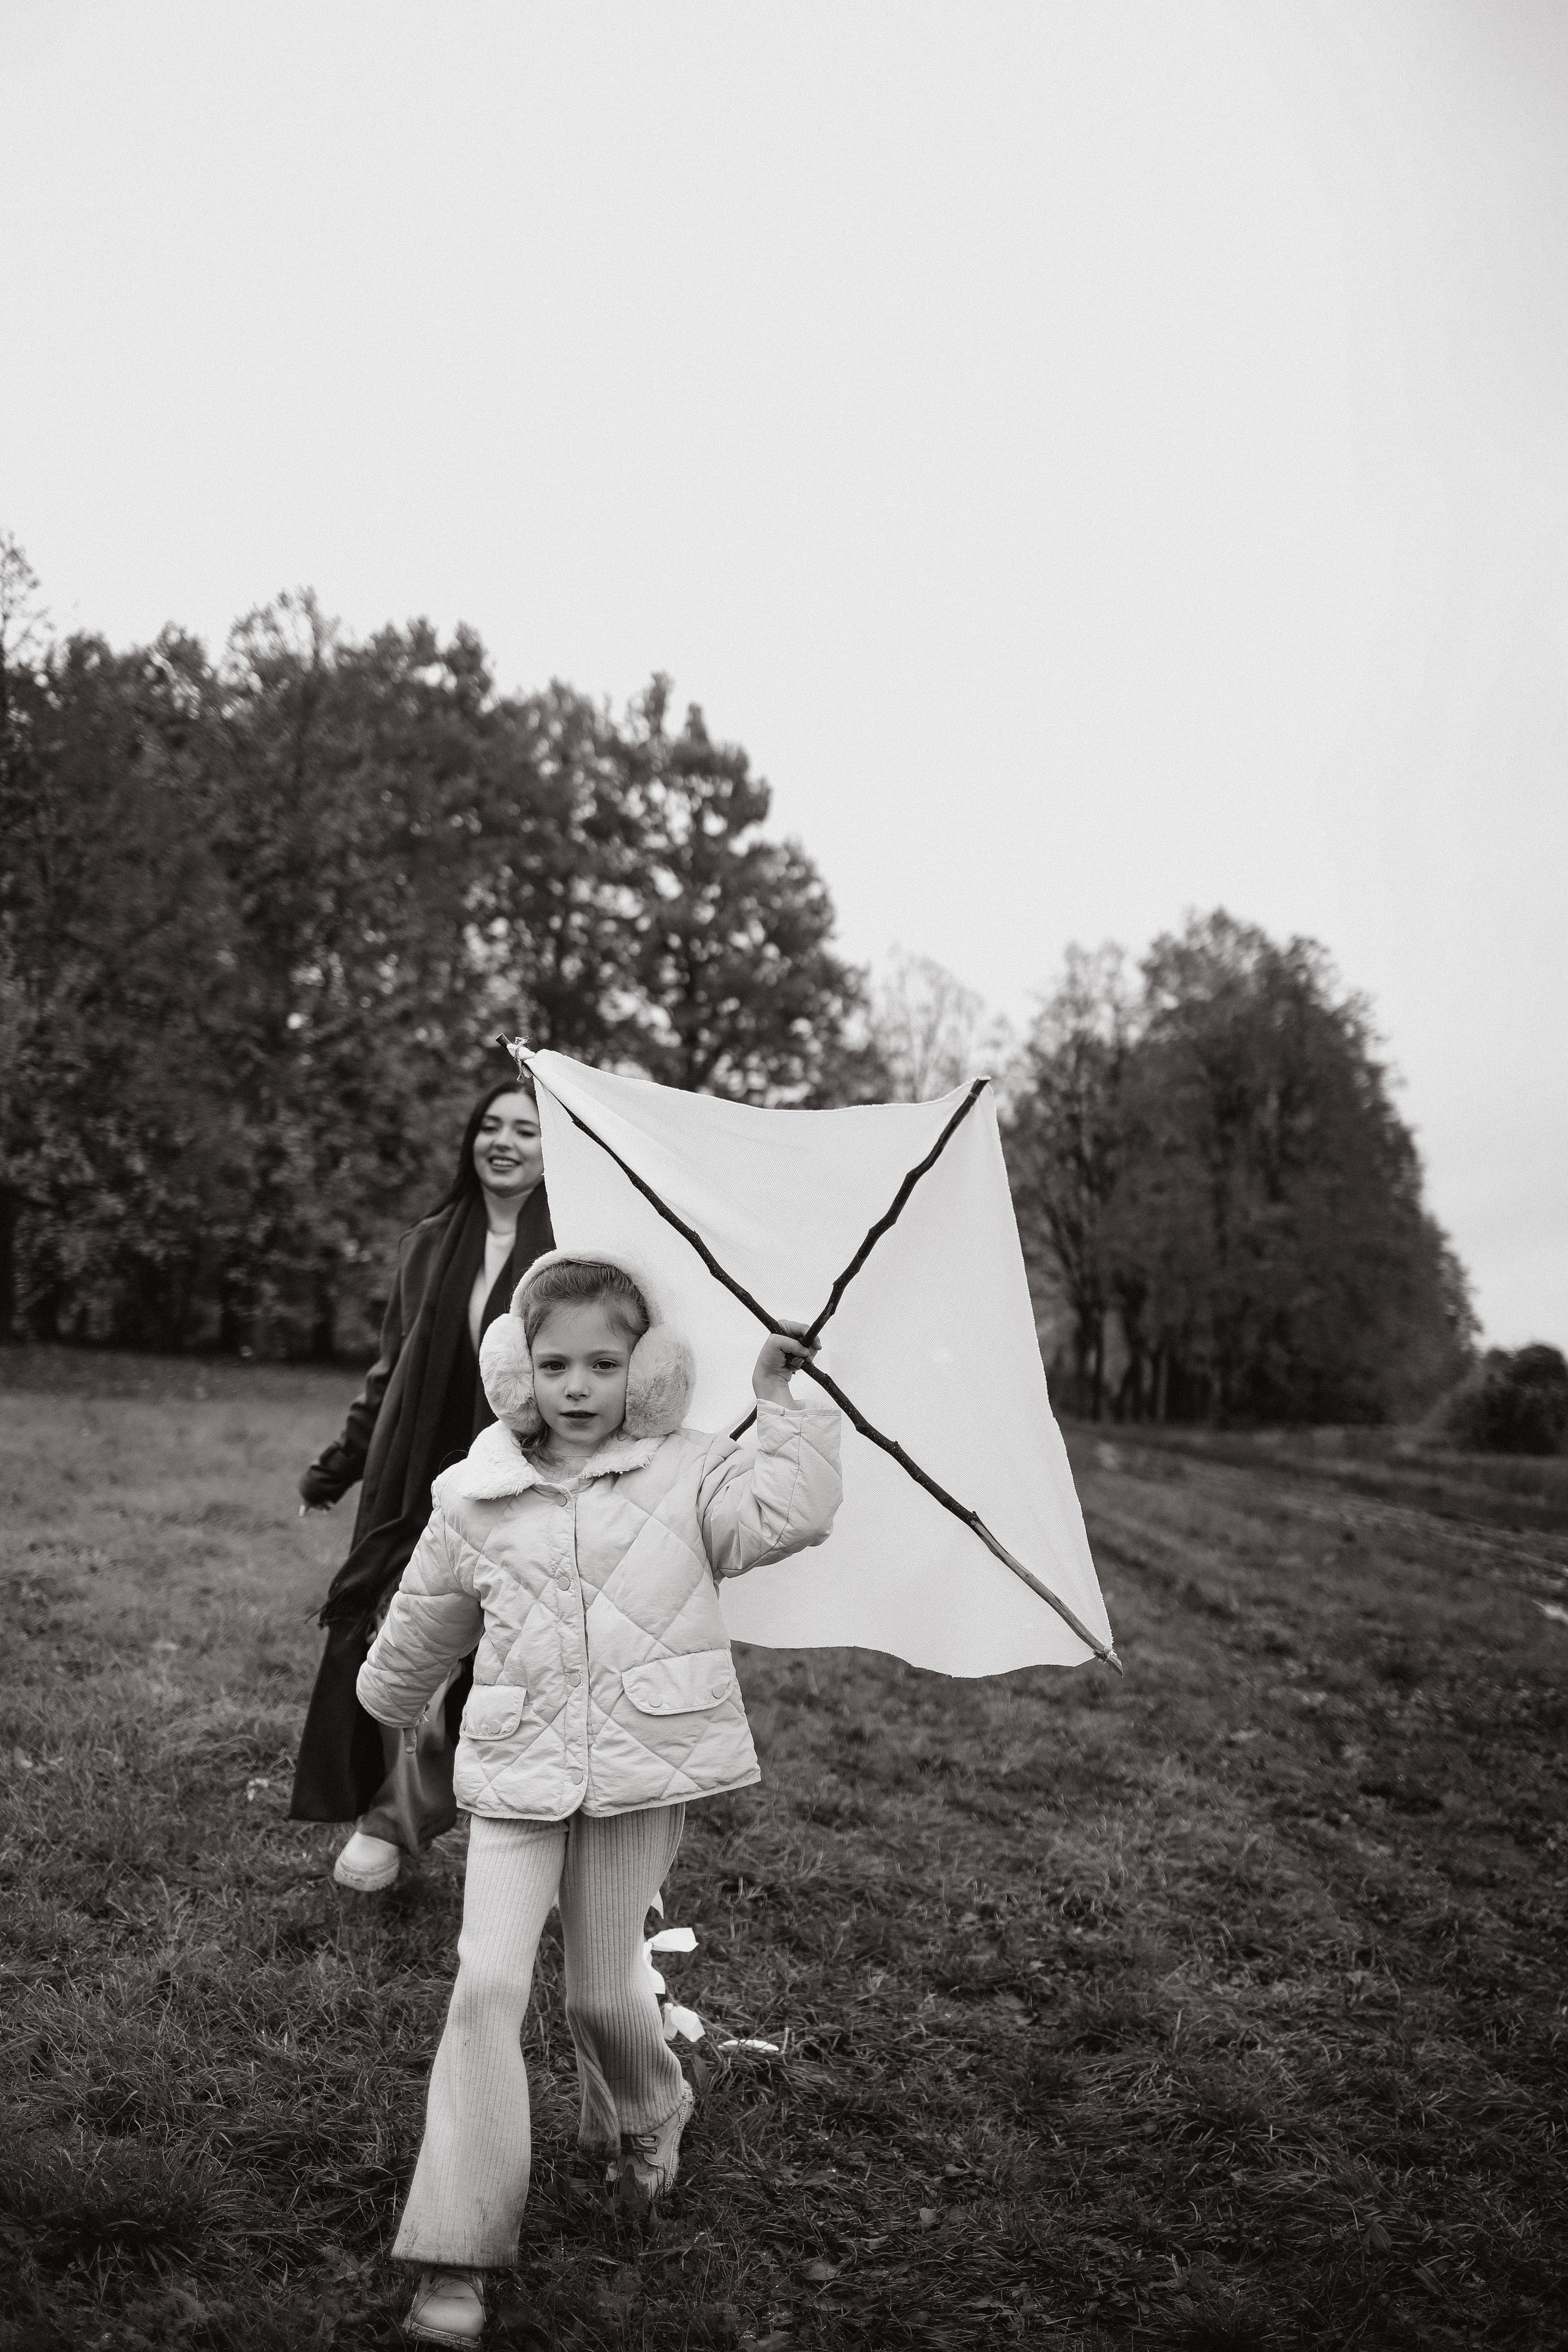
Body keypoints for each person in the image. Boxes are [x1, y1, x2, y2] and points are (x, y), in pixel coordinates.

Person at [353, 1250, 842, 2348]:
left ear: (649, 1368)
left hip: (639, 1772)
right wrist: (385, 1695)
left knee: (597, 1999)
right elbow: (426, 1618)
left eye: (604, 1363)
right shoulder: (475, 1494)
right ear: (518, 1370)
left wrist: (779, 1403)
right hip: (517, 1774)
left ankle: (653, 2102)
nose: (578, 1385)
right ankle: (456, 2256)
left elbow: (789, 1519)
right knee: (484, 1985)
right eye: (556, 1363)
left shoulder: (690, 1472)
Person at [288, 1078, 555, 1892]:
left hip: (521, 1478)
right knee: (384, 1633)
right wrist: (339, 1465)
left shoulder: (574, 1254)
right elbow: (390, 1370)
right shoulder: (429, 1244)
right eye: (490, 1126)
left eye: (526, 1130)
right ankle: (373, 1795)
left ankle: (397, 1819)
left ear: (555, 1154)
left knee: (491, 1653)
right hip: (418, 1477)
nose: (503, 1141)